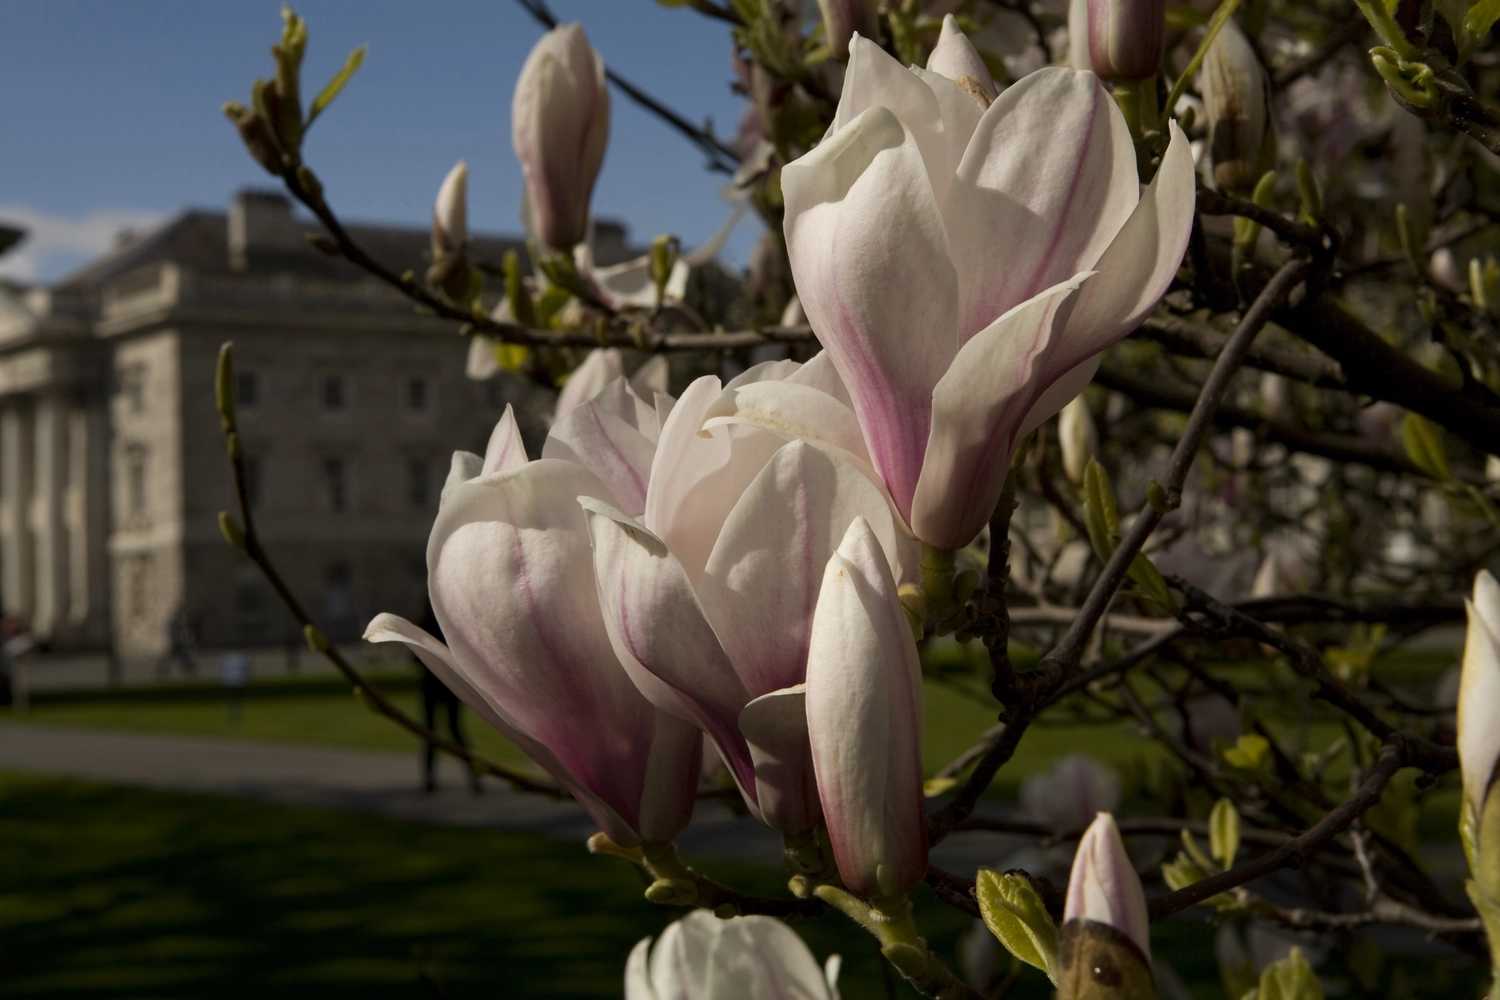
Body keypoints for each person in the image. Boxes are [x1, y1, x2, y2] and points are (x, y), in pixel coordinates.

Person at [415, 603, 481, 794]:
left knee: (431, 734)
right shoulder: (448, 626)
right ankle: (473, 778)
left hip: (433, 687)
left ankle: (429, 780)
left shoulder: (424, 626)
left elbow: (416, 659)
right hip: (450, 686)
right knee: (455, 732)